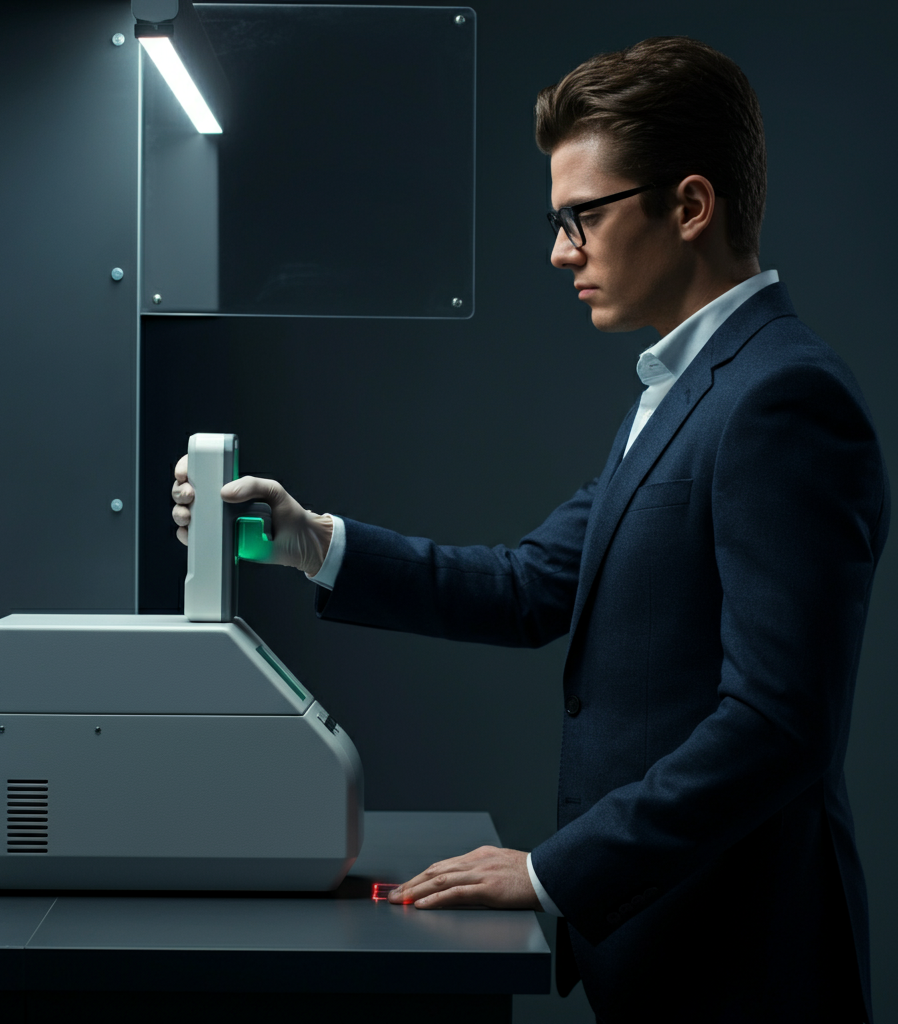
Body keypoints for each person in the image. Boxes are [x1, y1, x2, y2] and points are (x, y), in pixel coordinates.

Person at [171, 37, 889, 1023]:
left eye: (579, 218)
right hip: (661, 949)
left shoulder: (782, 400)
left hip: (738, 967)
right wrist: (306, 539)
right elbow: (530, 585)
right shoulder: (687, 388)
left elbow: (776, 728)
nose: (559, 253)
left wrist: (555, 872)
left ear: (689, 206)